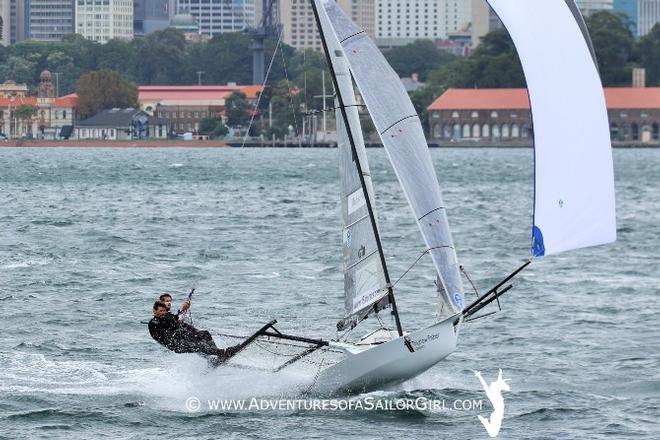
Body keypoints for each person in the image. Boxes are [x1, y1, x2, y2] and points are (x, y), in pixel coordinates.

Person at [148, 298, 240, 359]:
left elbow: (176, 318)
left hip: (182, 337)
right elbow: (167, 333)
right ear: (154, 311)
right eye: (160, 311)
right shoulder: (153, 323)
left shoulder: (167, 316)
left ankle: (216, 354)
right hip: (176, 344)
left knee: (205, 334)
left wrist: (184, 309)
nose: (163, 313)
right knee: (198, 345)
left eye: (164, 310)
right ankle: (223, 352)